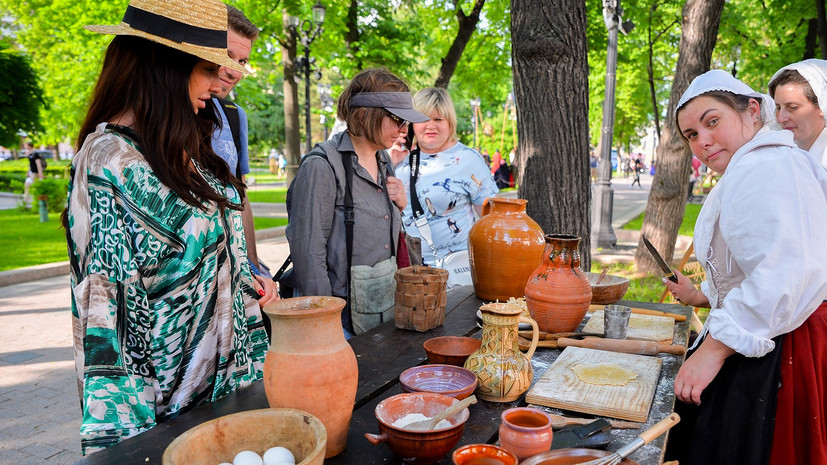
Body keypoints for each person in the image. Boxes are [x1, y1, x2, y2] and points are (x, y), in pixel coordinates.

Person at [66, 0, 277, 454]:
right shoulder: (109, 161)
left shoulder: (185, 145)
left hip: (232, 395)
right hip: (170, 422)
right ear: (165, 67)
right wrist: (132, 447)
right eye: (208, 69)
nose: (218, 84)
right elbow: (107, 321)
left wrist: (250, 282)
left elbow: (219, 249)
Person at [663, 69, 827, 465]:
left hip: (784, 341)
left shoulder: (767, 166)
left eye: (712, 121)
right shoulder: (758, 164)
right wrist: (704, 298)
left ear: (753, 111)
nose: (702, 141)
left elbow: (788, 269)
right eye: (691, 135)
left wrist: (713, 350)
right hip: (768, 333)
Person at [285, 68, 427, 338]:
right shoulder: (322, 166)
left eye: (406, 121)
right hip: (339, 323)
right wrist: (323, 326)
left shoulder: (384, 162)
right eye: (397, 119)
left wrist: (399, 206)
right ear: (364, 115)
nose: (404, 129)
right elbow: (309, 254)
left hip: (383, 313)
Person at [394, 87, 499, 286]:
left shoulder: (469, 160)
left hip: (455, 276)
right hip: (407, 274)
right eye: (423, 119)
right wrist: (389, 163)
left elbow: (492, 220)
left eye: (438, 119)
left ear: (450, 122)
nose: (430, 126)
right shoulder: (400, 160)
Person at [210, 6, 269, 277]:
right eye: (226, 56)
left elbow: (240, 196)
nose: (234, 71)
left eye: (242, 62)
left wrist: (254, 267)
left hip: (233, 271)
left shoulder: (233, 116)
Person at [768, 59, 827, 169]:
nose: (781, 118)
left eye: (792, 108)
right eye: (778, 108)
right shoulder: (783, 161)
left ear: (822, 105)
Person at [23, 141, 44, 206]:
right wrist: (28, 172)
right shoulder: (30, 154)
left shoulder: (35, 154)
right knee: (26, 186)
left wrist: (40, 174)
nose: (24, 146)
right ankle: (26, 202)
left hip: (35, 173)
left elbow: (38, 164)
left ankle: (36, 202)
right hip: (31, 173)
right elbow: (30, 164)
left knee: (35, 187)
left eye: (25, 145)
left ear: (29, 146)